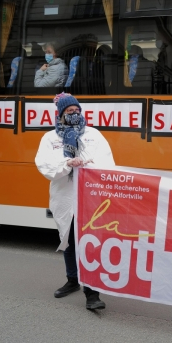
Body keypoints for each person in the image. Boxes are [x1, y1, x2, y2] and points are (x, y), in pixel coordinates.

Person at [35, 92, 114, 310]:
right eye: (69, 111)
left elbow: (108, 163)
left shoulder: (94, 135)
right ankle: (72, 280)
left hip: (90, 198)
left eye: (77, 110)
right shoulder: (50, 138)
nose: (74, 114)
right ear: (60, 113)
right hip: (64, 197)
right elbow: (44, 166)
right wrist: (68, 164)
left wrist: (86, 164)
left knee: (89, 242)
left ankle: (92, 293)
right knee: (69, 240)